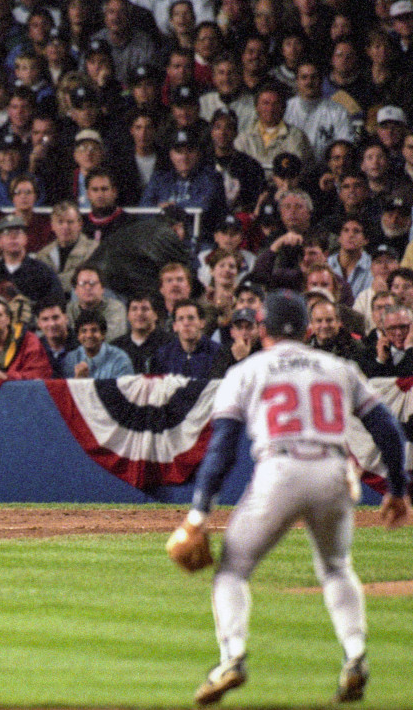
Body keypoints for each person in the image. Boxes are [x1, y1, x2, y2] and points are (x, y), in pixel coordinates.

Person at [169, 290, 409, 706]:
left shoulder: (247, 371)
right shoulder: (339, 366)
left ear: (261, 329)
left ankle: (232, 657)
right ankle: (354, 656)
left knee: (232, 570)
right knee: (336, 567)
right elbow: (387, 428)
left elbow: (223, 448)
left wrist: (198, 513)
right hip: (335, 471)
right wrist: (397, 491)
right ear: (308, 329)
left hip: (279, 470)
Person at [152, 299, 221, 377]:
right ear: (175, 326)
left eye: (191, 318)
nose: (186, 323)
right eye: (181, 319)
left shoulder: (218, 353)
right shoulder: (163, 356)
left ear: (202, 323)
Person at [61, 309, 135, 379]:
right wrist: (77, 380)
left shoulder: (120, 360)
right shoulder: (70, 359)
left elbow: (124, 391)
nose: (89, 335)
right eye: (84, 331)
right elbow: (65, 391)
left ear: (103, 334)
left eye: (94, 330)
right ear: (78, 336)